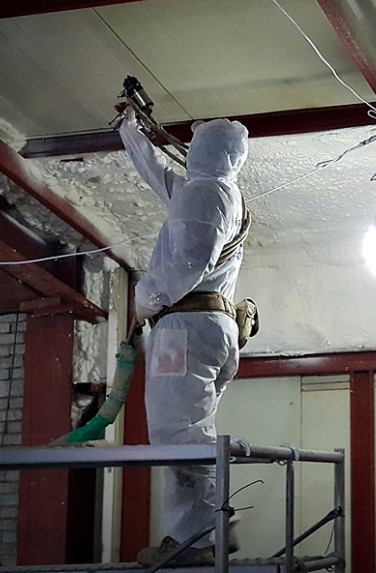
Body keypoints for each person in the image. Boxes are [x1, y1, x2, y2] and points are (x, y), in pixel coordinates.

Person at [118, 110, 249, 565]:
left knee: (177, 432)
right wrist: (130, 133)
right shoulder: (216, 192)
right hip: (209, 327)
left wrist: (146, 298)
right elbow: (160, 178)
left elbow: (190, 260)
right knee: (189, 428)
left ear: (204, 151)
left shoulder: (206, 194)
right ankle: (206, 530)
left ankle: (200, 536)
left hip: (185, 329)